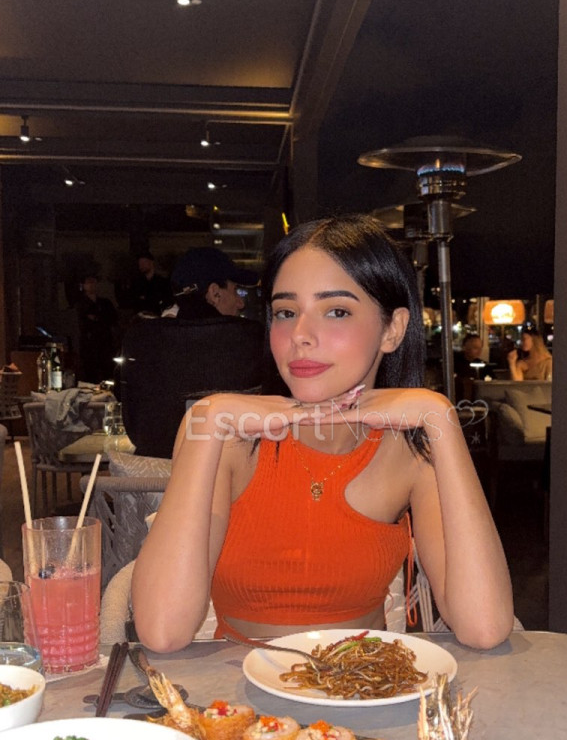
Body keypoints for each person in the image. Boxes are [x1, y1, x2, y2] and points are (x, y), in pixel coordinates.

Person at [132, 215, 514, 652]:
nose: (300, 335)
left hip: (370, 684)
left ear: (393, 329)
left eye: (336, 311)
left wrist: (440, 416)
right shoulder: (227, 436)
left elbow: (484, 626)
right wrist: (208, 417)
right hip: (241, 690)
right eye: (286, 312)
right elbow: (162, 632)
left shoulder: (409, 448)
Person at [120, 248, 264, 459]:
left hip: (155, 474)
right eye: (235, 291)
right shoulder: (251, 338)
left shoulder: (142, 339)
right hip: (234, 472)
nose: (240, 302)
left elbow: (134, 425)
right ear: (214, 293)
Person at [170, 246, 259, 319]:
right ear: (214, 293)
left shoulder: (166, 333)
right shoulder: (245, 333)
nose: (241, 304)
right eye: (235, 291)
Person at [76, 274, 119, 384]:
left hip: (105, 343)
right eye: (88, 282)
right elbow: (82, 322)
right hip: (89, 344)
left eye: (93, 282)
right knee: (90, 373)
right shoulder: (81, 304)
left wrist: (97, 318)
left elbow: (113, 318)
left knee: (107, 371)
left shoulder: (105, 303)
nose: (91, 285)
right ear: (84, 285)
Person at [129, 252, 173, 317]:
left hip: (158, 316)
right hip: (141, 317)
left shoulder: (162, 282)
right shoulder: (137, 283)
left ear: (151, 262)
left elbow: (167, 300)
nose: (141, 266)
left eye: (143, 262)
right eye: (139, 264)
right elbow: (134, 300)